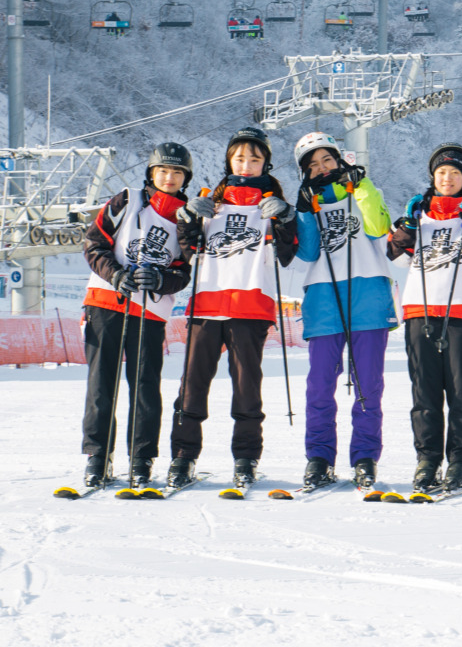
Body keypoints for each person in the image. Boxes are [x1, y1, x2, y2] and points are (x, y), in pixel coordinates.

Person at [170, 128, 298, 490]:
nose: (246, 164)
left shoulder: (272, 204)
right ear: (229, 161)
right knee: (192, 386)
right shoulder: (211, 200)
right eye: (239, 158)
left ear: (265, 163)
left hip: (250, 307)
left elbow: (288, 255)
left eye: (254, 158)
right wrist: (188, 217)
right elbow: (188, 250)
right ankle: (183, 457)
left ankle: (245, 458)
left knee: (246, 388)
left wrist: (286, 218)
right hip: (207, 305)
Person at [387, 143, 462, 493]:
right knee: (423, 392)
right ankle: (427, 460)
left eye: (455, 173)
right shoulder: (415, 215)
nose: (448, 178)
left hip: (461, 314)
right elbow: (395, 257)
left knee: (460, 390)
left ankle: (461, 461)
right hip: (419, 312)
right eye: (442, 172)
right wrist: (407, 227)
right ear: (433, 177)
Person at [77, 143, 197, 488]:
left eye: (176, 172)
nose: (169, 177)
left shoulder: (186, 216)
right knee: (102, 385)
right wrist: (116, 274)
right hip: (105, 302)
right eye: (163, 171)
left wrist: (162, 278)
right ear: (151, 172)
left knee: (145, 387)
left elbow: (185, 268)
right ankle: (97, 457)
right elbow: (93, 243)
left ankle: (141, 458)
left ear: (185, 178)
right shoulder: (125, 200)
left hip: (150, 312)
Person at [292, 131, 397, 492]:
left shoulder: (363, 190)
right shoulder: (308, 202)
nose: (321, 168)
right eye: (312, 165)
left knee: (369, 383)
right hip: (323, 298)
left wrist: (362, 184)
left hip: (368, 294)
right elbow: (306, 254)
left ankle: (365, 457)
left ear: (339, 160)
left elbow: (378, 226)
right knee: (319, 384)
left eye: (327, 160)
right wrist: (303, 212)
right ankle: (318, 457)